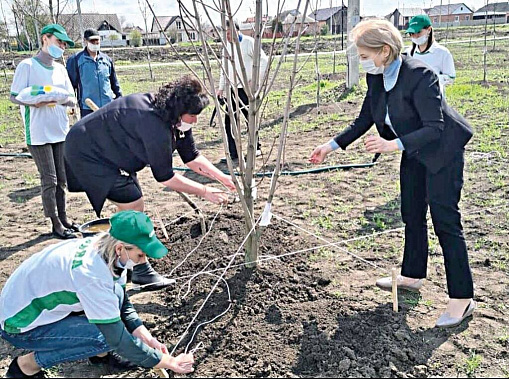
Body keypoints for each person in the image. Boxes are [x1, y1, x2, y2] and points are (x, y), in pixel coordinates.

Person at [309, 19, 475, 328]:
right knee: (411, 213)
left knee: (446, 223)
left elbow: (434, 127)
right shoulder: (377, 78)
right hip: (411, 150)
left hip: (441, 151)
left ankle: (462, 300)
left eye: (364, 55)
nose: (362, 62)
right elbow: (363, 121)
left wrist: (392, 145)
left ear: (384, 50)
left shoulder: (419, 75)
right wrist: (329, 146)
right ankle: (412, 275)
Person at [64, 75, 236, 290]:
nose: (195, 121)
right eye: (192, 115)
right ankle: (139, 270)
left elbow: (191, 156)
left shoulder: (174, 118)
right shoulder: (152, 122)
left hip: (111, 150)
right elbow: (165, 176)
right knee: (133, 203)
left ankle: (119, 261)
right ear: (179, 110)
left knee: (131, 208)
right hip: (88, 153)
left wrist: (223, 178)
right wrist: (204, 191)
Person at [0, 210, 195, 378]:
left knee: (111, 318)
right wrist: (168, 362)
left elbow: (121, 298)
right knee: (104, 339)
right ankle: (24, 367)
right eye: (141, 255)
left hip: (29, 303)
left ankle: (99, 355)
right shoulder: (92, 275)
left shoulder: (105, 248)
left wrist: (143, 334)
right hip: (18, 323)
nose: (143, 261)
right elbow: (117, 340)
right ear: (120, 248)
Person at [9, 24, 78, 240]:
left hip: (59, 129)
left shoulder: (60, 69)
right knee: (50, 179)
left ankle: (64, 217)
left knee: (62, 178)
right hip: (38, 132)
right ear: (45, 38)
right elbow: (15, 95)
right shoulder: (27, 66)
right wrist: (35, 102)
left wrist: (63, 100)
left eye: (64, 44)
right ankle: (55, 222)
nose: (62, 47)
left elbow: (70, 96)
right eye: (59, 42)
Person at [216, 20, 268, 163]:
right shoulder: (226, 48)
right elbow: (224, 70)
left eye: (228, 32)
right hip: (233, 90)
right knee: (229, 121)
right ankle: (234, 153)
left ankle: (255, 148)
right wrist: (221, 88)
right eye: (224, 33)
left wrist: (255, 81)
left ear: (235, 30)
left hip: (247, 90)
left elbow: (263, 61)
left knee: (249, 119)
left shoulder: (249, 43)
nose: (226, 36)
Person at [66, 28, 122, 118]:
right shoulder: (76, 60)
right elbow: (71, 85)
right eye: (92, 41)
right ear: (85, 41)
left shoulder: (106, 60)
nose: (95, 44)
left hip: (108, 105)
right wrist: (70, 103)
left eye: (97, 41)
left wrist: (120, 99)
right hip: (88, 108)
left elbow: (114, 83)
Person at [405, 15, 456, 94]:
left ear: (428, 30)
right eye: (411, 33)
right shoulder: (408, 54)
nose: (415, 36)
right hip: (413, 100)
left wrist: (431, 79)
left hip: (434, 98)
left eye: (418, 32)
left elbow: (451, 77)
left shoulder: (442, 53)